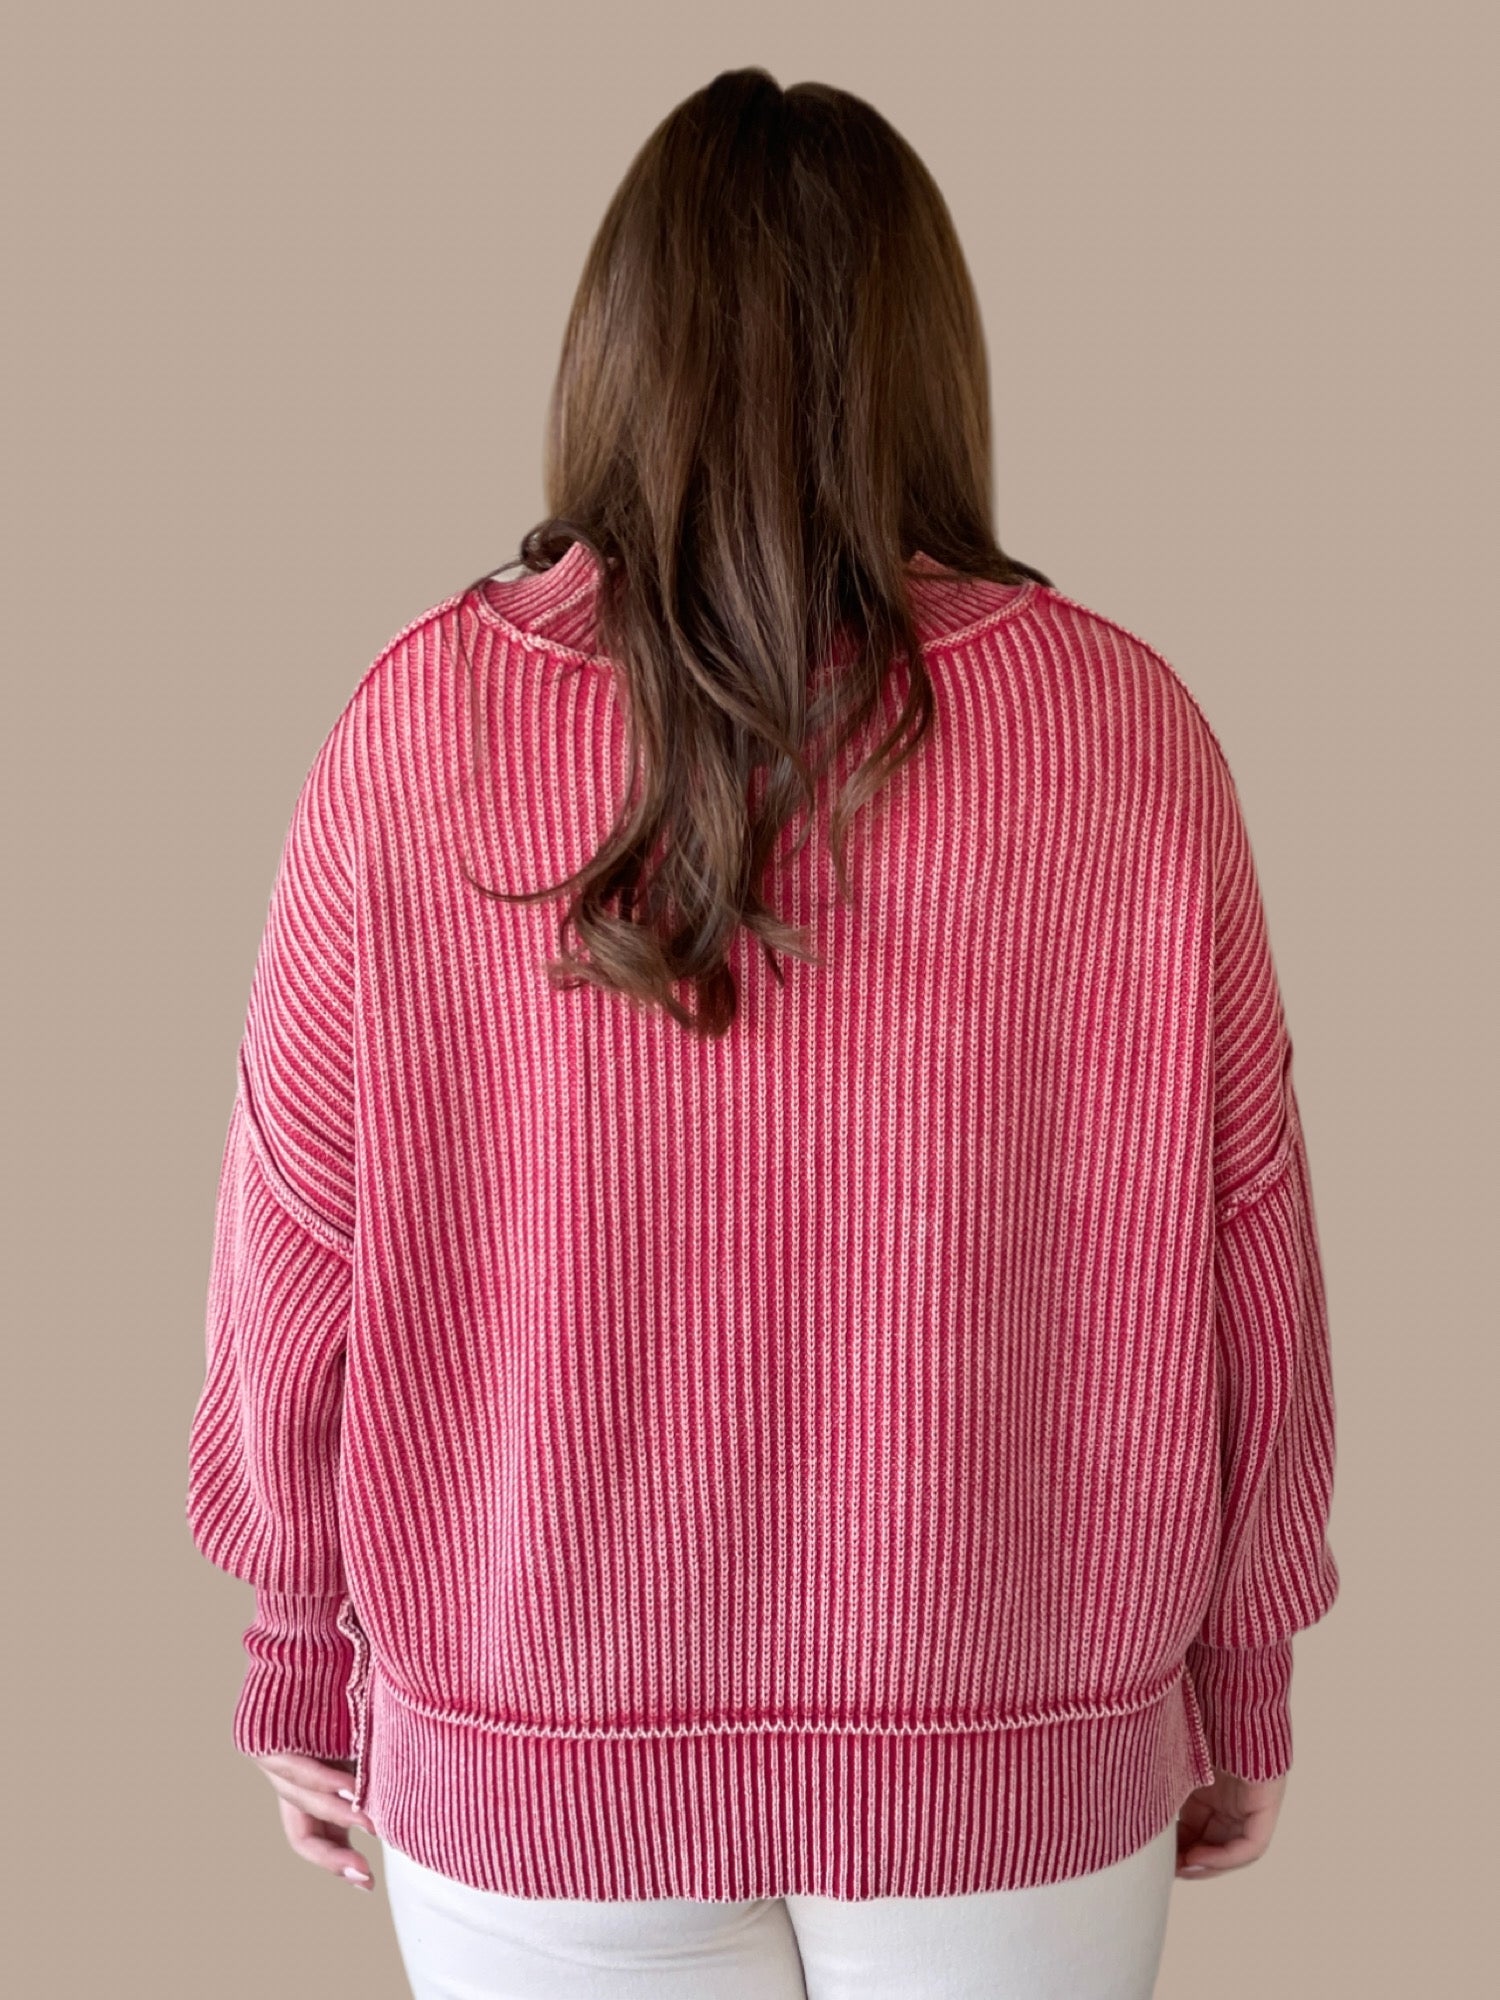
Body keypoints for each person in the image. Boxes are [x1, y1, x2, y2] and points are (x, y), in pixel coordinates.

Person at [184, 65, 1340, 2000]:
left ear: (613, 355)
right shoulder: (1126, 737)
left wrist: (297, 1640)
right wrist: (1242, 1662)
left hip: (537, 1748)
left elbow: (293, 1244)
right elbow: (1251, 1241)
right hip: (1014, 1755)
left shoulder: (416, 731)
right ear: (929, 362)